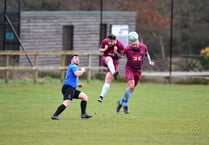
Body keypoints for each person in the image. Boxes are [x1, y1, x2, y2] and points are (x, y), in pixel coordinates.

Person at [116, 32, 154, 114]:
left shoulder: (144, 47)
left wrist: (150, 61)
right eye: (133, 45)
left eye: (136, 44)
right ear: (130, 43)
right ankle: (125, 104)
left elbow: (147, 54)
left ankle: (121, 101)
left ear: (138, 41)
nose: (135, 46)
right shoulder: (127, 49)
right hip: (129, 69)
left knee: (132, 89)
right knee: (131, 86)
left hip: (138, 70)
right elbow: (119, 56)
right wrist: (116, 52)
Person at [51, 54, 92, 120]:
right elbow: (77, 74)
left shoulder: (72, 66)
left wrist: (77, 84)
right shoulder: (73, 66)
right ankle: (55, 115)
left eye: (78, 58)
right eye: (75, 58)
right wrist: (82, 71)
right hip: (68, 88)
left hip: (71, 87)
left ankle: (83, 114)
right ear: (71, 60)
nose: (77, 59)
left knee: (84, 97)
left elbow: (70, 78)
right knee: (67, 102)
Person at [97, 34, 125, 103]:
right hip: (105, 59)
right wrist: (105, 49)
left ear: (115, 41)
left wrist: (115, 52)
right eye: (109, 41)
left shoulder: (120, 45)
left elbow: (120, 56)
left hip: (115, 62)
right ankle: (114, 73)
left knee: (108, 79)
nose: (110, 43)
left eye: (111, 42)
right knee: (109, 59)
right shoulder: (105, 41)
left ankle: (101, 96)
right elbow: (100, 50)